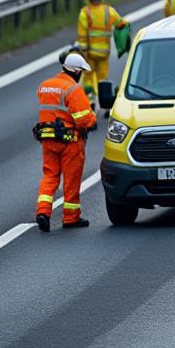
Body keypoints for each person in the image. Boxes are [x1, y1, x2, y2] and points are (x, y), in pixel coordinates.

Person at [34, 52, 99, 231]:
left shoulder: (45, 86)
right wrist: (93, 120)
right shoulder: (73, 89)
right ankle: (71, 218)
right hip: (70, 142)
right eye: (81, 72)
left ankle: (43, 212)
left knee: (50, 175)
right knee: (71, 179)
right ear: (76, 71)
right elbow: (84, 120)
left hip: (48, 139)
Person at [77, 0, 129, 95]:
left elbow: (82, 36)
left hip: (89, 54)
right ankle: (102, 100)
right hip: (104, 53)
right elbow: (121, 23)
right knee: (102, 79)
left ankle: (89, 98)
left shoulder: (85, 13)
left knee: (88, 77)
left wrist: (83, 53)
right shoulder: (108, 11)